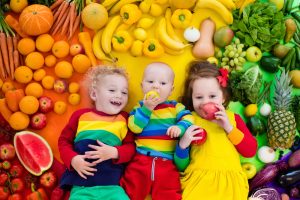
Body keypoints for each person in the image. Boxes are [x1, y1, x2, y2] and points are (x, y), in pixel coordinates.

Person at [174, 61, 257, 200]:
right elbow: (180, 165)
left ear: (223, 97)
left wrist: (229, 128)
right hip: (199, 184)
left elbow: (250, 151)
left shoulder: (233, 119)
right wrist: (183, 144)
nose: (206, 102)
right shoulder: (189, 120)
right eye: (199, 97)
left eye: (212, 96)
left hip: (230, 186)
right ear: (192, 98)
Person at [58, 66, 135, 200]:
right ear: (94, 94)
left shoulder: (124, 119)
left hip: (112, 187)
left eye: (124, 92)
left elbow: (131, 147)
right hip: (82, 187)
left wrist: (114, 152)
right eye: (112, 90)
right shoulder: (80, 116)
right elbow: (63, 142)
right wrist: (73, 159)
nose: (119, 95)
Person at [120, 62, 194, 200]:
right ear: (142, 86)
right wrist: (147, 109)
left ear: (171, 90)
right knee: (130, 190)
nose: (155, 86)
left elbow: (189, 118)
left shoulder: (175, 107)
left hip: (167, 164)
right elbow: (134, 127)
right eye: (150, 81)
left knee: (170, 193)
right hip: (141, 161)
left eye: (162, 83)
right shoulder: (139, 108)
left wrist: (180, 127)